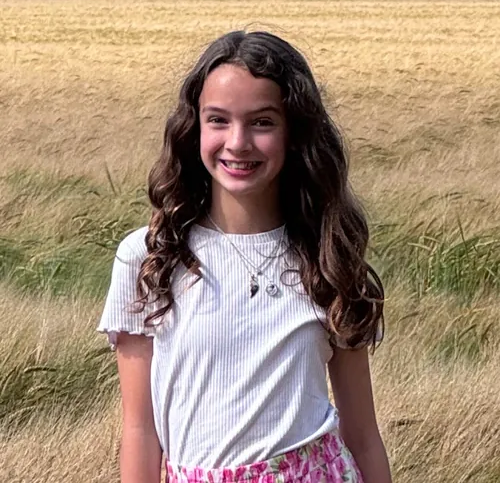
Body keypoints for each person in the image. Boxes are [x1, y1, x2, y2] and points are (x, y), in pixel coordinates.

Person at [98, 30, 392, 483]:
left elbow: (363, 435)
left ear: (294, 132)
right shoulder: (150, 258)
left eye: (262, 122)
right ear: (194, 127)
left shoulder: (325, 255)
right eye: (218, 120)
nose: (238, 142)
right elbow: (140, 431)